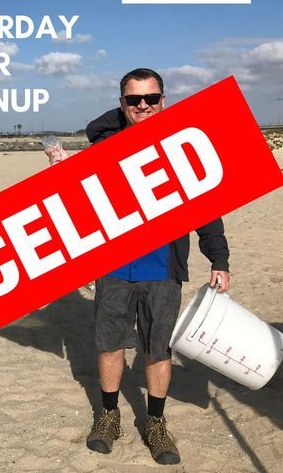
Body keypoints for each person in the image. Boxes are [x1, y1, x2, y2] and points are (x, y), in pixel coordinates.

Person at [84, 68, 230, 465]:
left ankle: (156, 422)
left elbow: (206, 211)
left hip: (163, 269)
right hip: (113, 267)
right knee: (110, 344)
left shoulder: (181, 149)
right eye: (134, 100)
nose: (143, 106)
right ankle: (109, 415)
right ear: (122, 104)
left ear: (164, 101)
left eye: (151, 98)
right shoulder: (105, 146)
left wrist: (219, 258)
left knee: (157, 347)